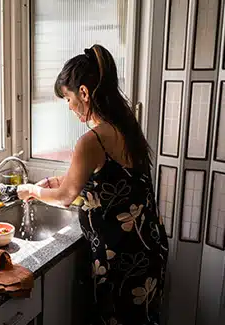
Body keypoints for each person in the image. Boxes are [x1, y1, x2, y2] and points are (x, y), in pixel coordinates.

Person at [17, 44, 168, 325]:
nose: (69, 107)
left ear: (84, 93)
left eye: (67, 98)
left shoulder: (92, 140)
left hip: (120, 259)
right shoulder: (125, 126)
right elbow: (111, 179)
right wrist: (59, 180)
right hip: (148, 247)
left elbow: (64, 197)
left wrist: (33, 191)